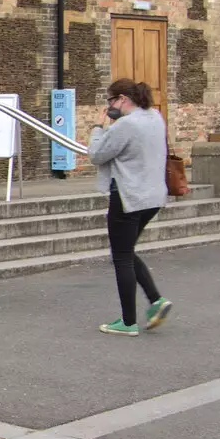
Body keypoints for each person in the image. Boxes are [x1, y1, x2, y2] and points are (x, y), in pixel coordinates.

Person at [88, 79, 172, 336]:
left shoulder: (125, 125)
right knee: (128, 251)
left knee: (121, 256)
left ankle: (127, 322)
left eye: (111, 101)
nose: (109, 106)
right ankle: (156, 301)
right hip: (153, 197)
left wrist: (97, 127)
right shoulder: (155, 116)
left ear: (123, 99)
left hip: (128, 197)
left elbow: (96, 154)